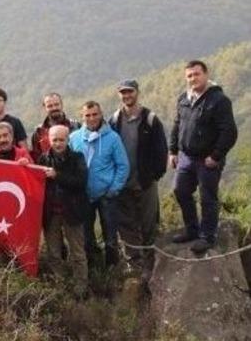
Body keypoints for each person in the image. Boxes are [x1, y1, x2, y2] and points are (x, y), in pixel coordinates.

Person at [169, 60, 238, 254]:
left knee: (207, 197)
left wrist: (216, 156)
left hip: (207, 159)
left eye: (197, 74)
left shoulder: (219, 100)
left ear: (206, 74)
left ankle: (207, 236)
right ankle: (192, 230)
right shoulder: (183, 98)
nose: (193, 79)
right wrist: (173, 151)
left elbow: (229, 132)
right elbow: (177, 125)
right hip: (186, 157)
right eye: (189, 76)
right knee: (180, 191)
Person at [108, 79, 168, 283]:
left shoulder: (150, 119)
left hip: (145, 183)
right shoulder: (114, 120)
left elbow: (161, 150)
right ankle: (134, 265)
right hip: (122, 183)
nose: (127, 96)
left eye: (130, 92)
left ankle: (151, 266)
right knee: (126, 226)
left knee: (149, 224)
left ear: (137, 93)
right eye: (123, 93)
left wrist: (154, 175)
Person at [69, 101, 129, 268]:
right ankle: (95, 270)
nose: (92, 118)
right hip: (84, 196)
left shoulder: (113, 138)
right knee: (87, 236)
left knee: (110, 236)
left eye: (95, 114)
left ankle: (112, 269)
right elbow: (68, 164)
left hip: (106, 195)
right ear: (82, 117)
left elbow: (123, 165)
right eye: (87, 115)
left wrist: (114, 188)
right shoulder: (74, 138)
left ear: (101, 114)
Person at [37, 125, 89, 298]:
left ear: (68, 140)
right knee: (53, 253)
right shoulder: (43, 159)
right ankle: (60, 286)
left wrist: (57, 175)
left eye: (61, 140)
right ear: (48, 140)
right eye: (54, 140)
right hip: (51, 213)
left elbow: (81, 182)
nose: (58, 143)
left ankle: (80, 289)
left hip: (73, 212)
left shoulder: (77, 158)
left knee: (77, 253)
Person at [30, 93, 80, 161]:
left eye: (56, 104)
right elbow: (36, 158)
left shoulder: (75, 126)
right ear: (44, 108)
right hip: (47, 170)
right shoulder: (39, 131)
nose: (54, 108)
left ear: (62, 105)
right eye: (50, 106)